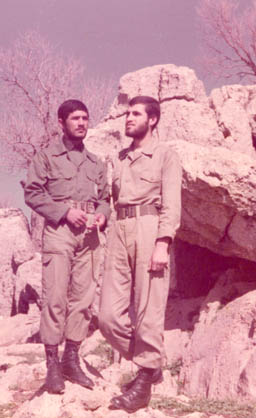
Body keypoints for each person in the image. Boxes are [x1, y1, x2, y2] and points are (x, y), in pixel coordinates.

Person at [98, 95, 182, 412]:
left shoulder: (165, 155)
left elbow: (172, 203)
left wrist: (163, 242)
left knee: (149, 308)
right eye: (127, 113)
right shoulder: (119, 158)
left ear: (152, 119)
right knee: (108, 317)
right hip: (119, 230)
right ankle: (151, 363)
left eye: (136, 114)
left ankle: (144, 380)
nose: (129, 118)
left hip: (150, 227)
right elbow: (111, 198)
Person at [23, 99, 110, 394]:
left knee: (83, 300)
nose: (81, 123)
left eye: (85, 118)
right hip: (60, 231)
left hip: (90, 234)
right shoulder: (46, 157)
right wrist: (64, 212)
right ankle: (52, 366)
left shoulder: (96, 163)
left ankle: (71, 359)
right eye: (75, 118)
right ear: (61, 123)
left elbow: (105, 199)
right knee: (55, 297)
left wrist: (102, 215)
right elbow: (33, 194)